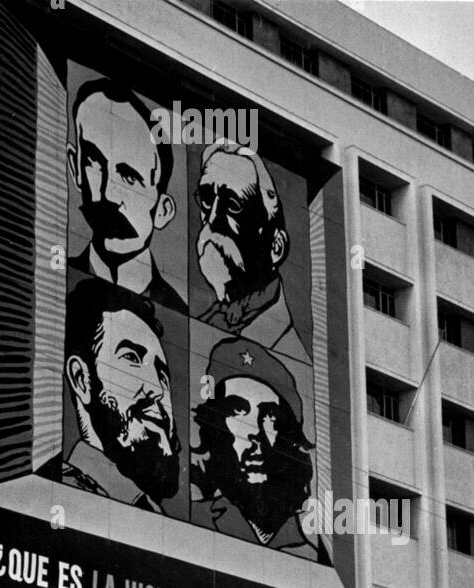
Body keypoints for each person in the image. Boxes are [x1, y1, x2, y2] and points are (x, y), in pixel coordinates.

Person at [37, 279, 181, 511]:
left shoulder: (148, 511)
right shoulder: (56, 493)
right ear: (81, 379)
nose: (157, 389)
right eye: (132, 358)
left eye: (162, 374)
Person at [191, 336, 321, 558]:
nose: (254, 433)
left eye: (269, 417)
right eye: (236, 411)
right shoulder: (196, 520)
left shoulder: (309, 553)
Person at [67, 78, 186, 311]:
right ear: (74, 167)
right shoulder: (56, 282)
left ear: (163, 210)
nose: (108, 194)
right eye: (94, 162)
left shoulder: (177, 313)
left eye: (130, 176)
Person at [194, 140, 309, 365]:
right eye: (207, 199)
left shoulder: (289, 358)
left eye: (234, 204)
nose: (212, 218)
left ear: (276, 247)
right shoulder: (201, 325)